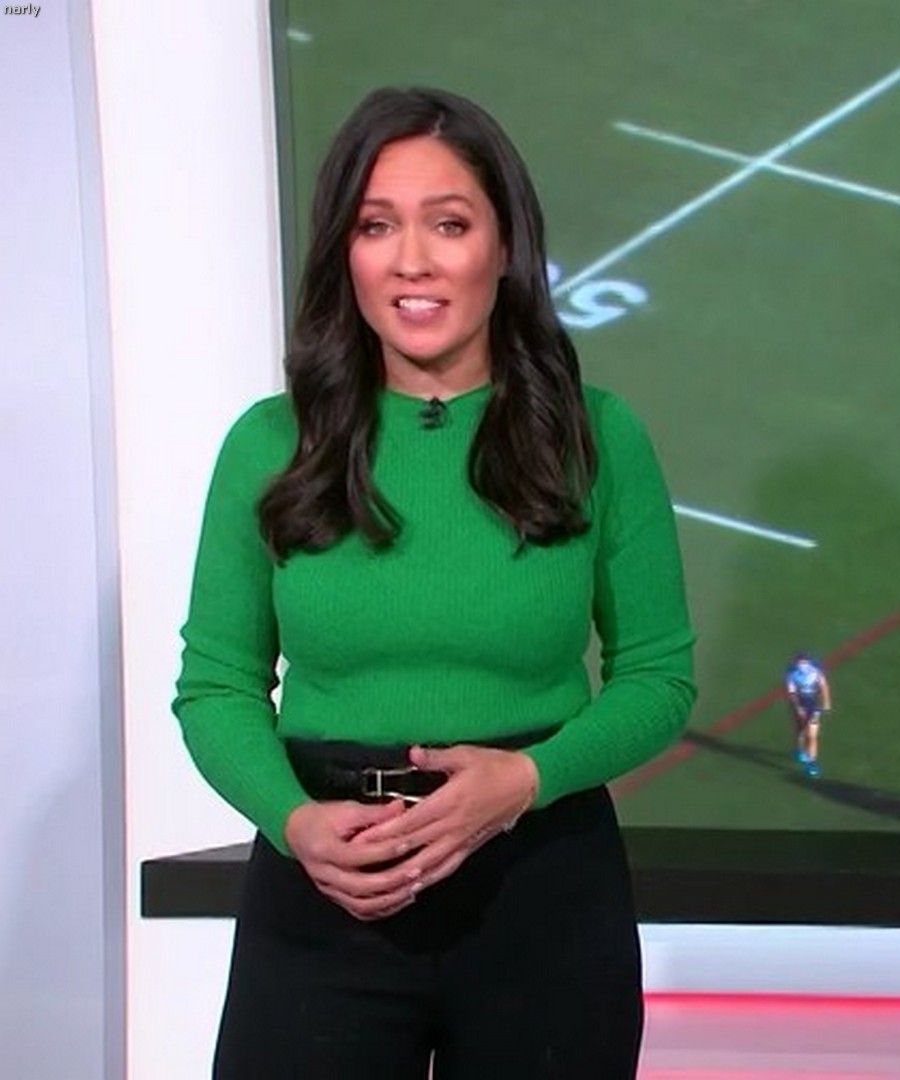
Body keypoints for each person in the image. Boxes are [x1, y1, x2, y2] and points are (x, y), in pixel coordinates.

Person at [172, 87, 695, 1078]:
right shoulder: (269, 446)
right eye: (377, 226)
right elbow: (216, 686)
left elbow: (658, 678)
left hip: (541, 890)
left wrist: (524, 782)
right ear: (344, 252)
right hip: (323, 894)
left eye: (448, 224)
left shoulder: (597, 437)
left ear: (505, 246)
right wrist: (294, 822)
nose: (411, 260)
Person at [785, 652, 832, 779]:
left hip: (814, 706)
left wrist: (826, 703)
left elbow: (823, 686)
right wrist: (798, 708)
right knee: (800, 729)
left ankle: (812, 763)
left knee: (812, 736)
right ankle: (799, 749)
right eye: (800, 663)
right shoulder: (792, 674)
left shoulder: (816, 672)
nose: (802, 665)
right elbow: (792, 693)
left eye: (804, 662)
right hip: (800, 704)